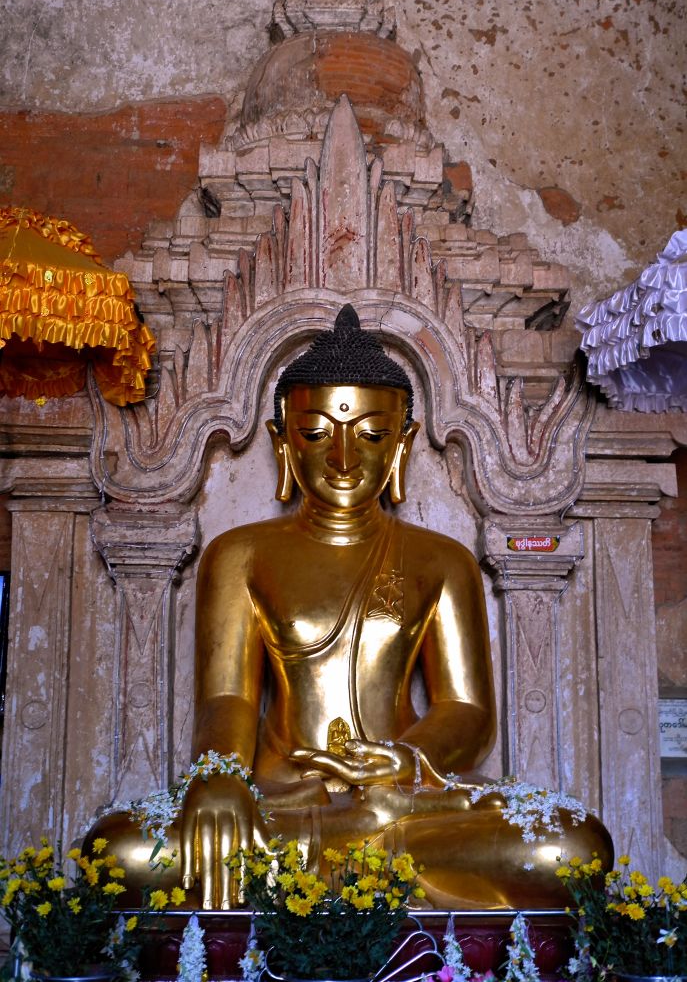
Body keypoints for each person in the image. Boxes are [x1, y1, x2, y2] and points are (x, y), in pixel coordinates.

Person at [93, 305, 612, 909]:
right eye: (316, 434)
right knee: (118, 851)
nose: (342, 456)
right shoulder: (239, 554)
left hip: (402, 803)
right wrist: (218, 777)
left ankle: (328, 871)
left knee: (573, 848)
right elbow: (226, 696)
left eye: (369, 435)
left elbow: (467, 709)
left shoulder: (442, 561)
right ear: (281, 440)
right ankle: (365, 873)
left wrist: (411, 760)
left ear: (403, 442)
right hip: (280, 800)